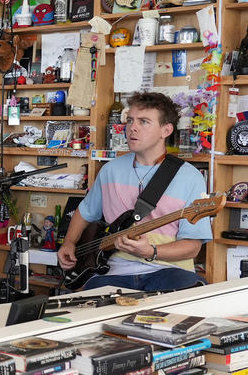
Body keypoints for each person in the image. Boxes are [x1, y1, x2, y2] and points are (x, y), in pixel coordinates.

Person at [57, 92, 212, 292]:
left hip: (168, 270)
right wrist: (69, 243)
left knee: (198, 295)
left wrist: (152, 252)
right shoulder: (110, 170)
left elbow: (193, 246)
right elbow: (85, 212)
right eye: (130, 120)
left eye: (144, 121)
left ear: (166, 130)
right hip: (113, 272)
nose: (133, 127)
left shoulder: (191, 177)